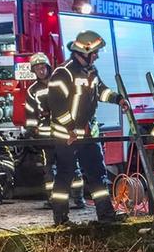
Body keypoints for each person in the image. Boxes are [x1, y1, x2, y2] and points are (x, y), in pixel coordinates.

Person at [42, 30, 126, 225]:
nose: (97, 55)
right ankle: (61, 220)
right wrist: (71, 128)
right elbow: (56, 104)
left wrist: (117, 99)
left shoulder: (91, 71)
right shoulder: (62, 73)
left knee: (97, 174)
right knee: (65, 175)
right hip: (66, 136)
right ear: (85, 51)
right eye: (95, 52)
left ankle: (106, 216)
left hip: (87, 135)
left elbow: (100, 91)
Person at [24, 52, 83, 210]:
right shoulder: (32, 90)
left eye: (42, 67)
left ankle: (78, 198)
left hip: (64, 133)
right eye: (37, 68)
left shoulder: (59, 83)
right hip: (45, 136)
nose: (40, 70)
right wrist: (30, 129)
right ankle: (53, 200)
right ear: (33, 71)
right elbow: (30, 112)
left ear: (48, 67)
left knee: (72, 165)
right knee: (49, 169)